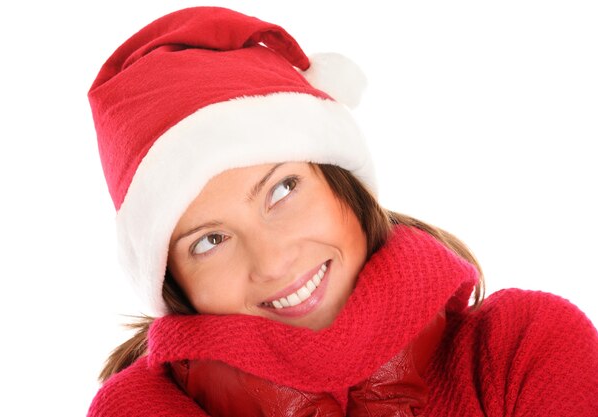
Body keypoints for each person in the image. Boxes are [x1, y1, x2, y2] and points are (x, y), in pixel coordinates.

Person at [86, 6, 598, 417]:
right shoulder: (143, 410)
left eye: (282, 190)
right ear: (175, 284)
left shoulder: (522, 350)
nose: (271, 262)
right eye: (209, 240)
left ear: (343, 184)